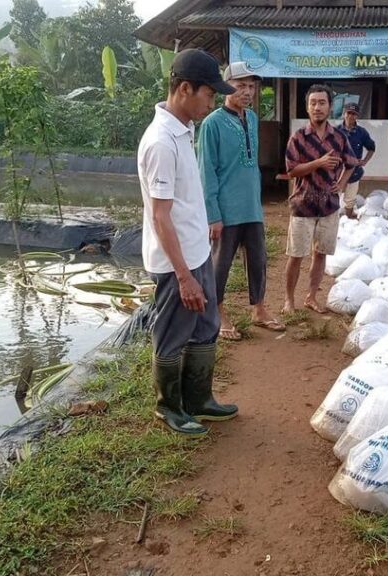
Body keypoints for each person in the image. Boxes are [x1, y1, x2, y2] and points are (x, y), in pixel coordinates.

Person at [137, 49, 238, 436]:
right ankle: (169, 407)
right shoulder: (161, 142)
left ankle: (199, 400)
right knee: (173, 332)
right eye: (208, 94)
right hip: (174, 261)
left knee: (206, 324)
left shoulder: (183, 129)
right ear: (184, 89)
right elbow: (160, 216)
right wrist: (183, 276)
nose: (213, 101)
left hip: (195, 251)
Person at [198, 62, 285, 341]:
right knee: (220, 265)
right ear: (226, 86)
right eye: (241, 85)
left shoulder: (252, 118)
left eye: (252, 86)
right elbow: (206, 171)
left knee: (258, 259)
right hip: (225, 208)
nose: (248, 91)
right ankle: (218, 312)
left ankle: (258, 309)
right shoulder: (212, 123)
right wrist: (213, 214)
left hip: (251, 207)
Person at [283, 84, 359, 314]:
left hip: (328, 206)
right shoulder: (298, 138)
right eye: (313, 103)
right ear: (307, 108)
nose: (317, 107)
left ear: (330, 107)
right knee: (296, 255)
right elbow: (292, 170)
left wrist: (343, 183)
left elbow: (352, 163)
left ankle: (312, 297)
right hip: (302, 205)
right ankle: (289, 300)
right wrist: (319, 163)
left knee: (320, 254)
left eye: (322, 103)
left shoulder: (339, 138)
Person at [337, 102, 376, 219]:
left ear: (357, 116)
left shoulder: (362, 132)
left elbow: (371, 147)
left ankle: (349, 218)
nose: (351, 116)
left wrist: (364, 161)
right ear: (344, 114)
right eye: (349, 113)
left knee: (350, 199)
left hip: (355, 171)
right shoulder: (336, 131)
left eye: (354, 114)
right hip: (338, 171)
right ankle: (331, 219)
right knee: (333, 196)